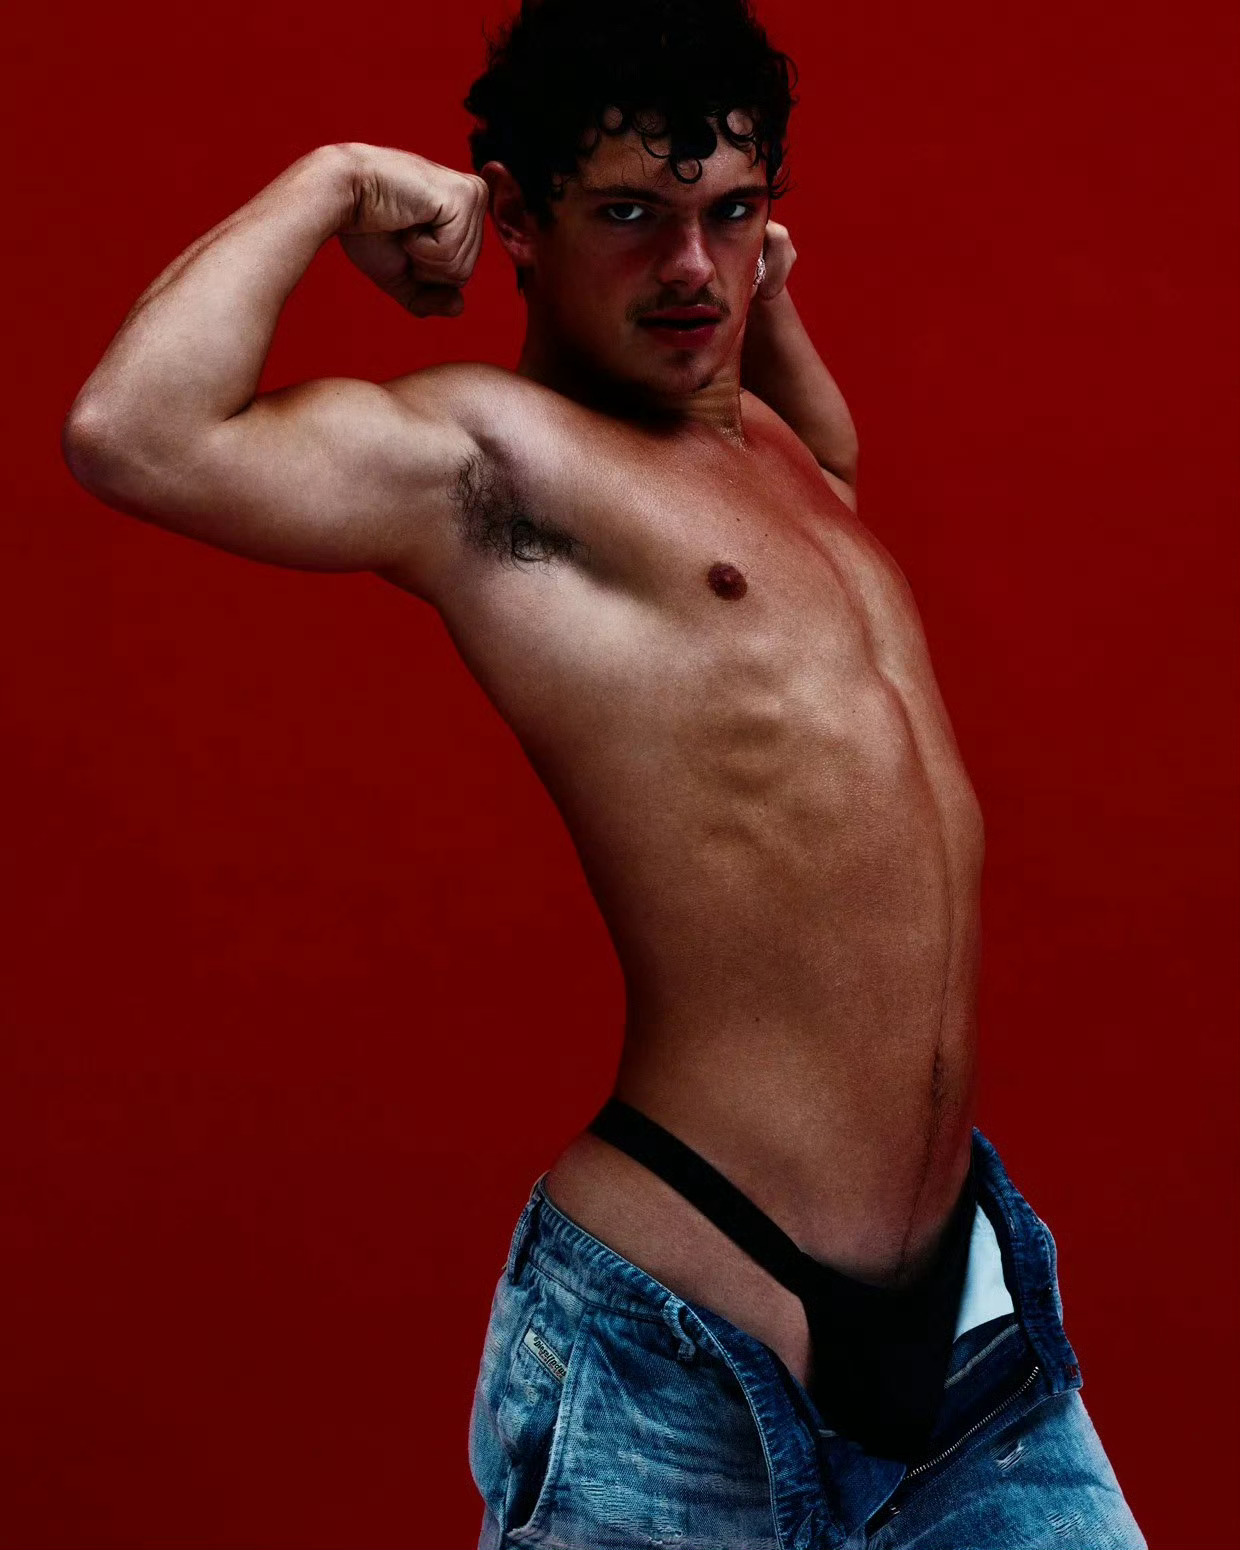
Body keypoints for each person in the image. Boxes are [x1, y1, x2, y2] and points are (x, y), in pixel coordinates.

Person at [61, 0, 1148, 1543]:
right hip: (680, 1356)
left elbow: (829, 476)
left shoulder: (773, 445)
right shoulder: (497, 463)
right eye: (631, 216)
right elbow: (134, 431)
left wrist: (756, 283)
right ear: (517, 218)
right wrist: (333, 180)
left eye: (731, 213)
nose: (691, 266)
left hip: (965, 1346)